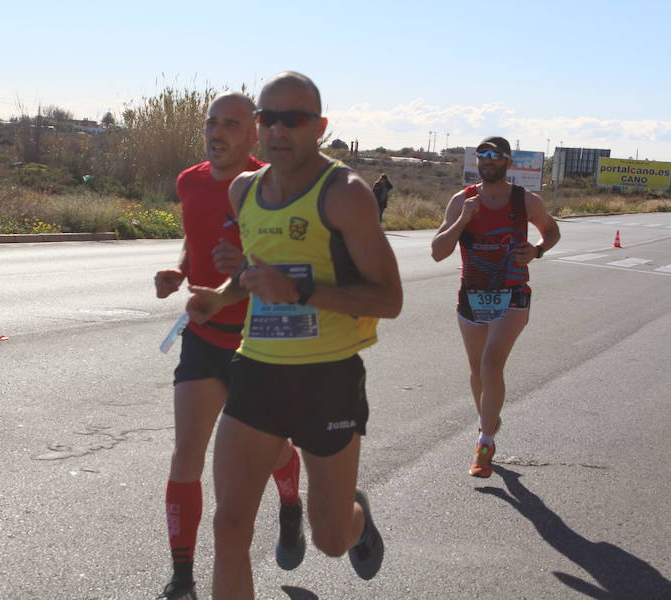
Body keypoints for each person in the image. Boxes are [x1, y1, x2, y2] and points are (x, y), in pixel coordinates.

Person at [186, 72, 403, 599]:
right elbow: (260, 276)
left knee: (330, 538)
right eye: (269, 118)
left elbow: (389, 299)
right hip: (257, 372)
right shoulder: (244, 190)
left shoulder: (345, 194)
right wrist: (219, 296)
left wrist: (302, 293)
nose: (279, 129)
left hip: (327, 377)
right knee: (229, 527)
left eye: (295, 119)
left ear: (320, 127)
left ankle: (357, 518)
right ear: (258, 126)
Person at [153, 91, 304, 600]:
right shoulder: (189, 181)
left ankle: (290, 503)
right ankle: (182, 578)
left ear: (254, 132)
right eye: (211, 123)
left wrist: (239, 269)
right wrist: (180, 270)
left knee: (273, 451)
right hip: (202, 338)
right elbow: (194, 237)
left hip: (259, 345)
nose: (217, 133)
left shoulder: (273, 187)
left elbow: (289, 267)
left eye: (231, 124)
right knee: (185, 456)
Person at [431, 136, 560, 478]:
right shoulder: (462, 200)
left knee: (491, 365)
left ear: (506, 161)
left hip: (513, 294)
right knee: (477, 371)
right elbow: (438, 250)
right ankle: (489, 418)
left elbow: (551, 230)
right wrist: (463, 220)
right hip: (472, 293)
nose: (486, 160)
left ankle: (484, 443)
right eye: (481, 155)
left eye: (494, 155)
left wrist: (537, 250)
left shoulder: (525, 200)